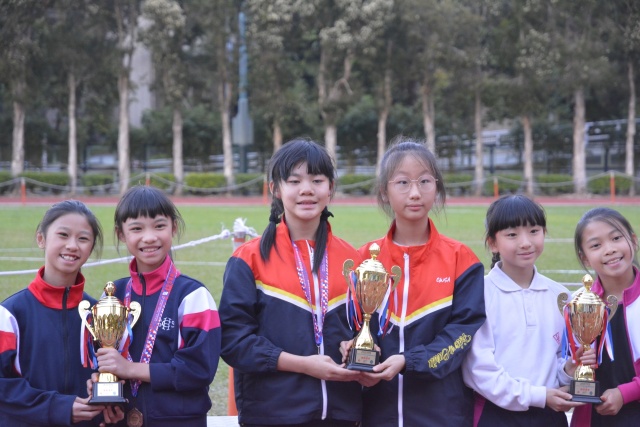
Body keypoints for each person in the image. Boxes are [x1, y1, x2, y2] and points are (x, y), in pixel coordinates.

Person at [342, 137, 487, 426]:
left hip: (442, 414)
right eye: (403, 183)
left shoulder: (461, 259)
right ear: (384, 192)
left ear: (437, 187)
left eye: (424, 181)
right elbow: (351, 324)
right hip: (376, 413)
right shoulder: (364, 259)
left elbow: (462, 334)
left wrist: (409, 361)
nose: (415, 193)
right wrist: (353, 349)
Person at [219, 137, 363, 426]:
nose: (306, 190)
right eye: (294, 181)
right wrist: (303, 365)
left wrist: (357, 346)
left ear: (330, 188)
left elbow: (367, 327)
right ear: (275, 189)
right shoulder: (248, 259)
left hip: (342, 415)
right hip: (272, 415)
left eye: (317, 180)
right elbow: (233, 342)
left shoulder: (353, 260)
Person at [461, 194, 596, 427]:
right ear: (493, 243)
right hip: (495, 415)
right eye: (512, 235)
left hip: (550, 415)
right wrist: (538, 396)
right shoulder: (480, 295)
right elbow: (478, 370)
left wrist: (569, 369)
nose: (525, 242)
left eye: (534, 231)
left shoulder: (561, 296)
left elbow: (558, 359)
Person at [92, 185, 221, 427]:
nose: (149, 237)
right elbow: (100, 358)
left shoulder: (193, 296)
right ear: (121, 234)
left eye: (159, 226)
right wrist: (100, 384)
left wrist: (130, 369)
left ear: (174, 227)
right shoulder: (113, 295)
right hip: (122, 420)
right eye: (137, 228)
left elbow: (199, 369)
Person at [0, 200, 123, 426]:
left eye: (83, 238)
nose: (72, 246)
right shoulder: (10, 314)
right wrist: (57, 407)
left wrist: (111, 406)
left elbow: (115, 373)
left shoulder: (100, 314)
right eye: (63, 235)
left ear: (91, 247)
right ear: (41, 239)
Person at [569, 207, 640, 427]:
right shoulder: (579, 304)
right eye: (596, 245)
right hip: (594, 419)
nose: (609, 249)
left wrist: (625, 393)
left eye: (616, 238)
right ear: (585, 258)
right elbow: (568, 365)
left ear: (633, 240)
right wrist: (573, 365)